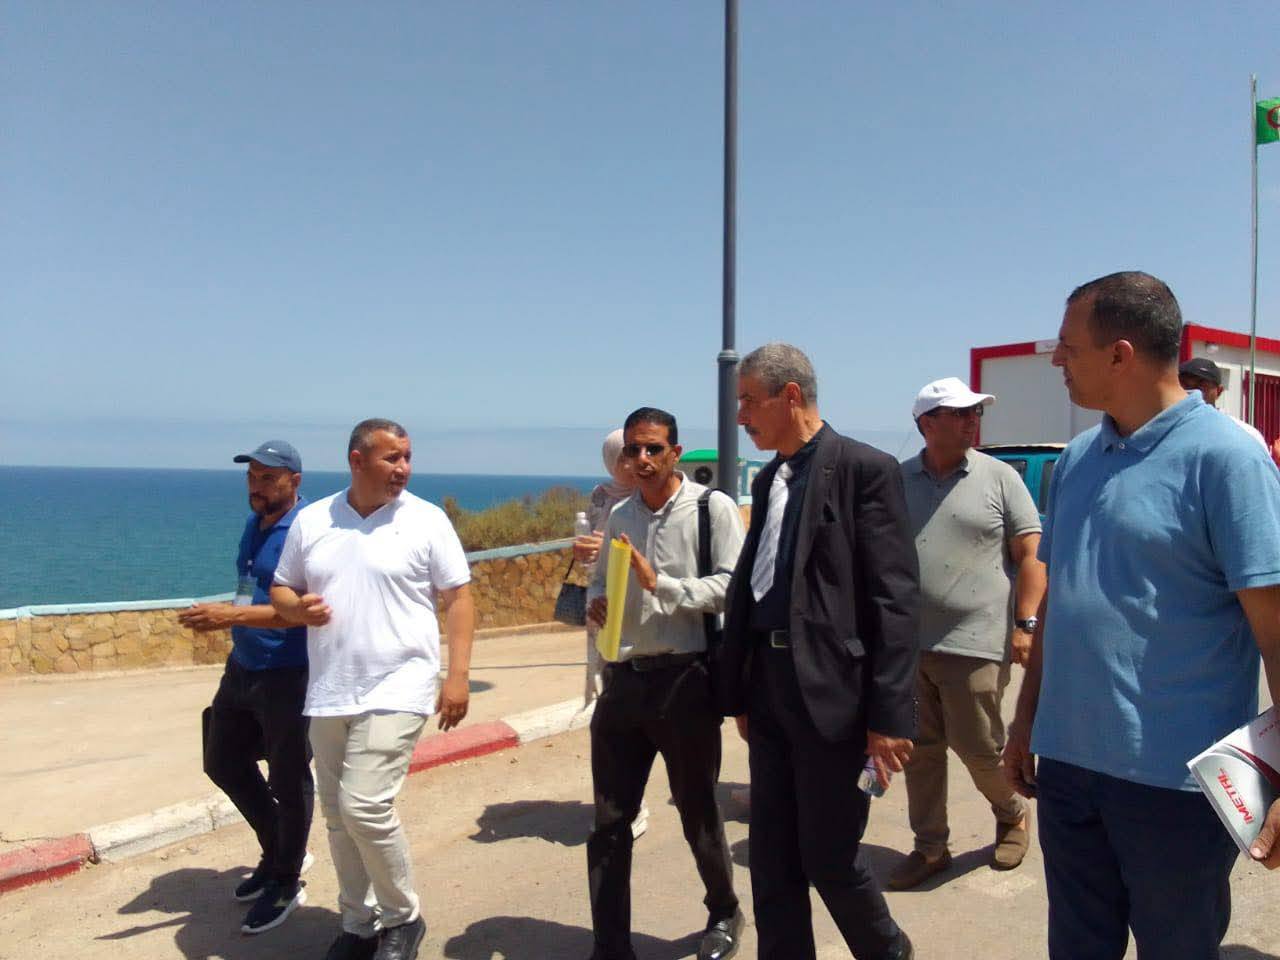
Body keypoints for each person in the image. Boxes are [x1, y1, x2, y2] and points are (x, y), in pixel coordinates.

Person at [1004, 272, 1280, 960]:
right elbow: (1063, 601)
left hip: (1176, 788)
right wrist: (1026, 720)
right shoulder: (1077, 460)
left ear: (1119, 354)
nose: (1057, 359)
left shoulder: (1228, 459)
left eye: (1068, 347)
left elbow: (1276, 632)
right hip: (1068, 771)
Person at [713, 342, 919, 960]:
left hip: (834, 696)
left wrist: (889, 717)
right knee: (772, 859)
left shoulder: (864, 469)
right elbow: (752, 589)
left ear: (791, 396)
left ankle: (888, 951)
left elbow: (894, 599)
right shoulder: (770, 478)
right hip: (768, 689)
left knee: (829, 857)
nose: (741, 416)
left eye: (749, 401)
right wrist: (740, 690)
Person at [271, 419, 475, 960]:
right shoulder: (314, 520)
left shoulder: (426, 520)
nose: (403, 468)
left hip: (401, 683)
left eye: (407, 457)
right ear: (357, 461)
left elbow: (458, 598)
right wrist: (296, 608)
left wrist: (457, 675)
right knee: (338, 818)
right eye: (391, 458)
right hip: (331, 688)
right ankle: (359, 924)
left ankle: (403, 918)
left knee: (363, 807)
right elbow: (282, 588)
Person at [584, 407, 746, 960]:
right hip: (624, 682)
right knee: (609, 821)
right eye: (633, 449)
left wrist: (663, 586)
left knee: (697, 810)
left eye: (654, 448)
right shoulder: (620, 515)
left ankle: (723, 911)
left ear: (675, 452)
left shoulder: (710, 509)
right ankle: (610, 944)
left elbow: (733, 588)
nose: (642, 459)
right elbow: (598, 584)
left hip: (686, 682)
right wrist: (597, 604)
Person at [887, 379, 1045, 891]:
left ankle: (1012, 812)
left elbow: (1031, 556)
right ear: (926, 424)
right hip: (909, 643)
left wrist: (1025, 624)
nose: (972, 420)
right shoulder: (897, 480)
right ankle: (930, 847)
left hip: (977, 640)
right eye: (959, 413)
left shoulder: (1000, 477)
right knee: (919, 750)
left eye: (975, 412)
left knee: (979, 746)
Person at [180, 439, 315, 934]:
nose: (256, 487)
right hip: (242, 666)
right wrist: (231, 623)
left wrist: (228, 616)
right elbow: (247, 586)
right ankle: (278, 850)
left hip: (288, 672)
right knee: (221, 761)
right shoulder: (254, 524)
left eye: (268, 478)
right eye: (252, 477)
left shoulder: (305, 532)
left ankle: (286, 879)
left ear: (293, 481)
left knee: (288, 779)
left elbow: (297, 612)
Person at [574, 428, 650, 840]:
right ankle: (616, 803)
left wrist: (609, 547)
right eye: (622, 455)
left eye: (633, 453)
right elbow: (592, 552)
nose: (630, 462)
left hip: (639, 609)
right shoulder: (601, 496)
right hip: (604, 609)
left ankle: (632, 803)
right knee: (609, 711)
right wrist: (585, 551)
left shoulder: (650, 496)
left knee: (632, 714)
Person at [1178, 356, 1269, 450]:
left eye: (1202, 386)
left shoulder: (1246, 433)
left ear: (1219, 391)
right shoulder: (1172, 428)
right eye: (1185, 386)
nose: (1193, 393)